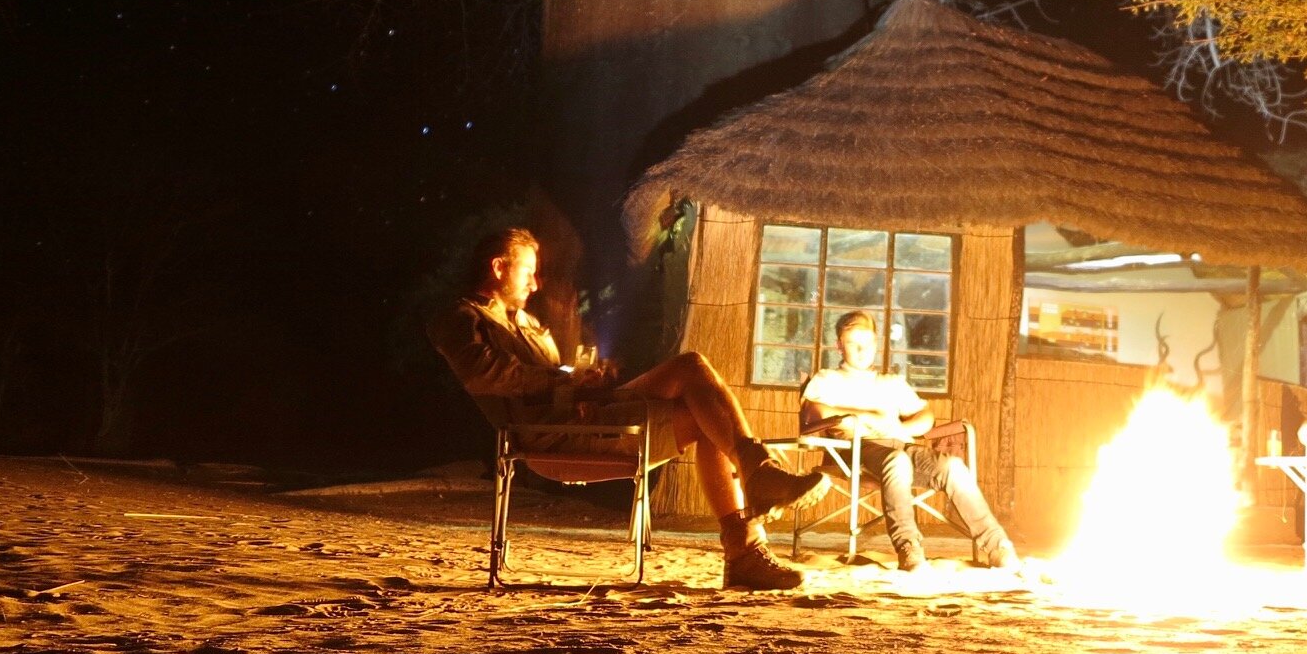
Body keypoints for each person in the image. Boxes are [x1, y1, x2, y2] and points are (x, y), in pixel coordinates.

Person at [428, 227, 829, 591]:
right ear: (499, 267)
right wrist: (564, 381)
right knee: (697, 389)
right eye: (527, 271)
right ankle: (748, 529)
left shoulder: (526, 321)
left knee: (694, 372)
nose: (535, 282)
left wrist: (585, 378)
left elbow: (552, 374)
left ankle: (753, 504)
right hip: (555, 436)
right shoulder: (462, 318)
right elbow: (487, 375)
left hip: (585, 414)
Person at [799, 310, 1018, 572]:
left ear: (877, 344)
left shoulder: (891, 382)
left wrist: (902, 427)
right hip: (857, 449)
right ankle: (909, 548)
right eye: (852, 343)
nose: (861, 350)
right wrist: (872, 418)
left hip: (901, 445)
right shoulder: (828, 379)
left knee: (952, 467)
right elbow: (816, 414)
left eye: (867, 343)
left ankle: (997, 546)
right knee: (898, 461)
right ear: (839, 346)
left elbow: (925, 414)